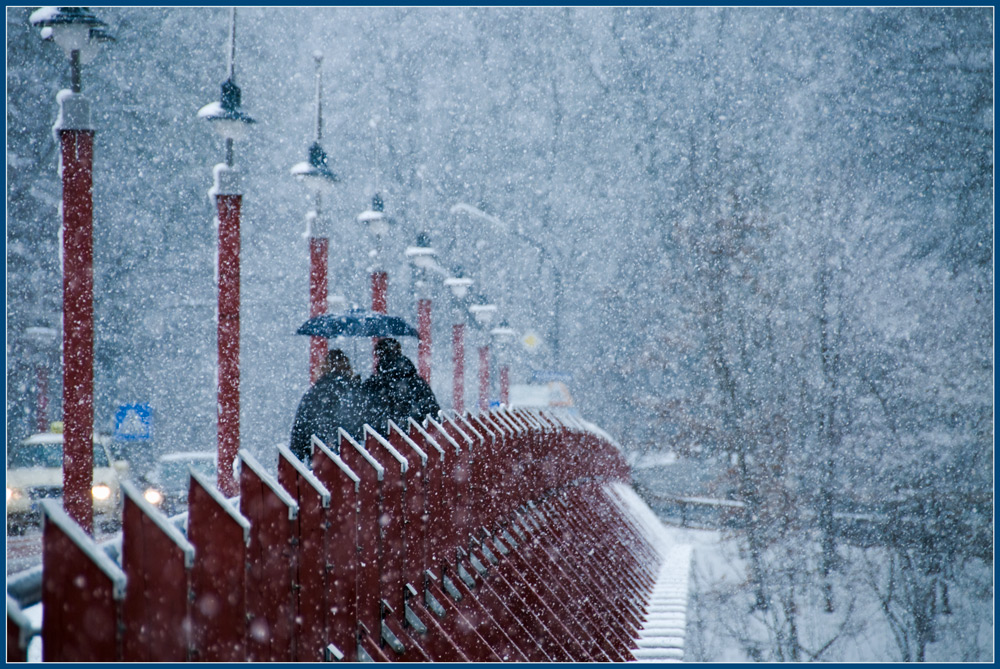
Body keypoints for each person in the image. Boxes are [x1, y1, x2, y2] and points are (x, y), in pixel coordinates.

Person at [289, 349, 364, 463]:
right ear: (348, 367)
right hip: (352, 461)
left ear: (324, 367)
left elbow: (299, 434)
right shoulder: (354, 394)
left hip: (318, 462)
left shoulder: (313, 394)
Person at [362, 338, 441, 434]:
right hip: (415, 439)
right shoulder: (416, 382)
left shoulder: (374, 385)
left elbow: (364, 416)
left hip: (381, 441)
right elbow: (433, 413)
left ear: (379, 355)